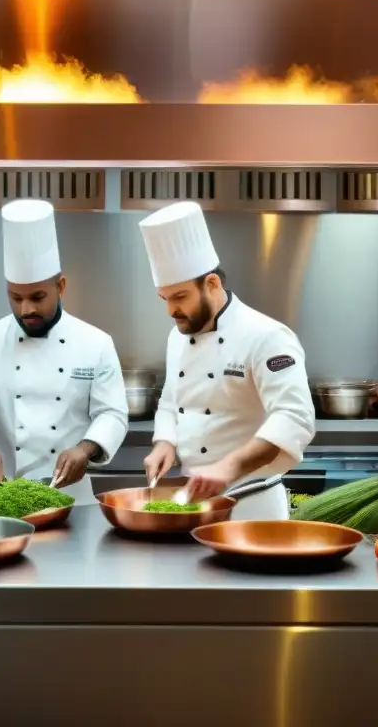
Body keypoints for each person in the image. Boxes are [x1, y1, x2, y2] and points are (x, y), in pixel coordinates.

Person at [139, 201, 315, 519]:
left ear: (212, 284)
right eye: (164, 299)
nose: (170, 310)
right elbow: (170, 399)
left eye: (180, 297)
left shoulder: (266, 335)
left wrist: (229, 466)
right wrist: (164, 442)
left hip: (252, 505)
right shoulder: (176, 336)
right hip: (194, 503)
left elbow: (294, 417)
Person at [0, 199, 129, 504]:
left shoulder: (95, 342)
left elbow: (112, 413)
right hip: (2, 495)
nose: (26, 308)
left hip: (71, 497)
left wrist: (84, 449)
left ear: (61, 286)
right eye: (15, 297)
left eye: (38, 296)